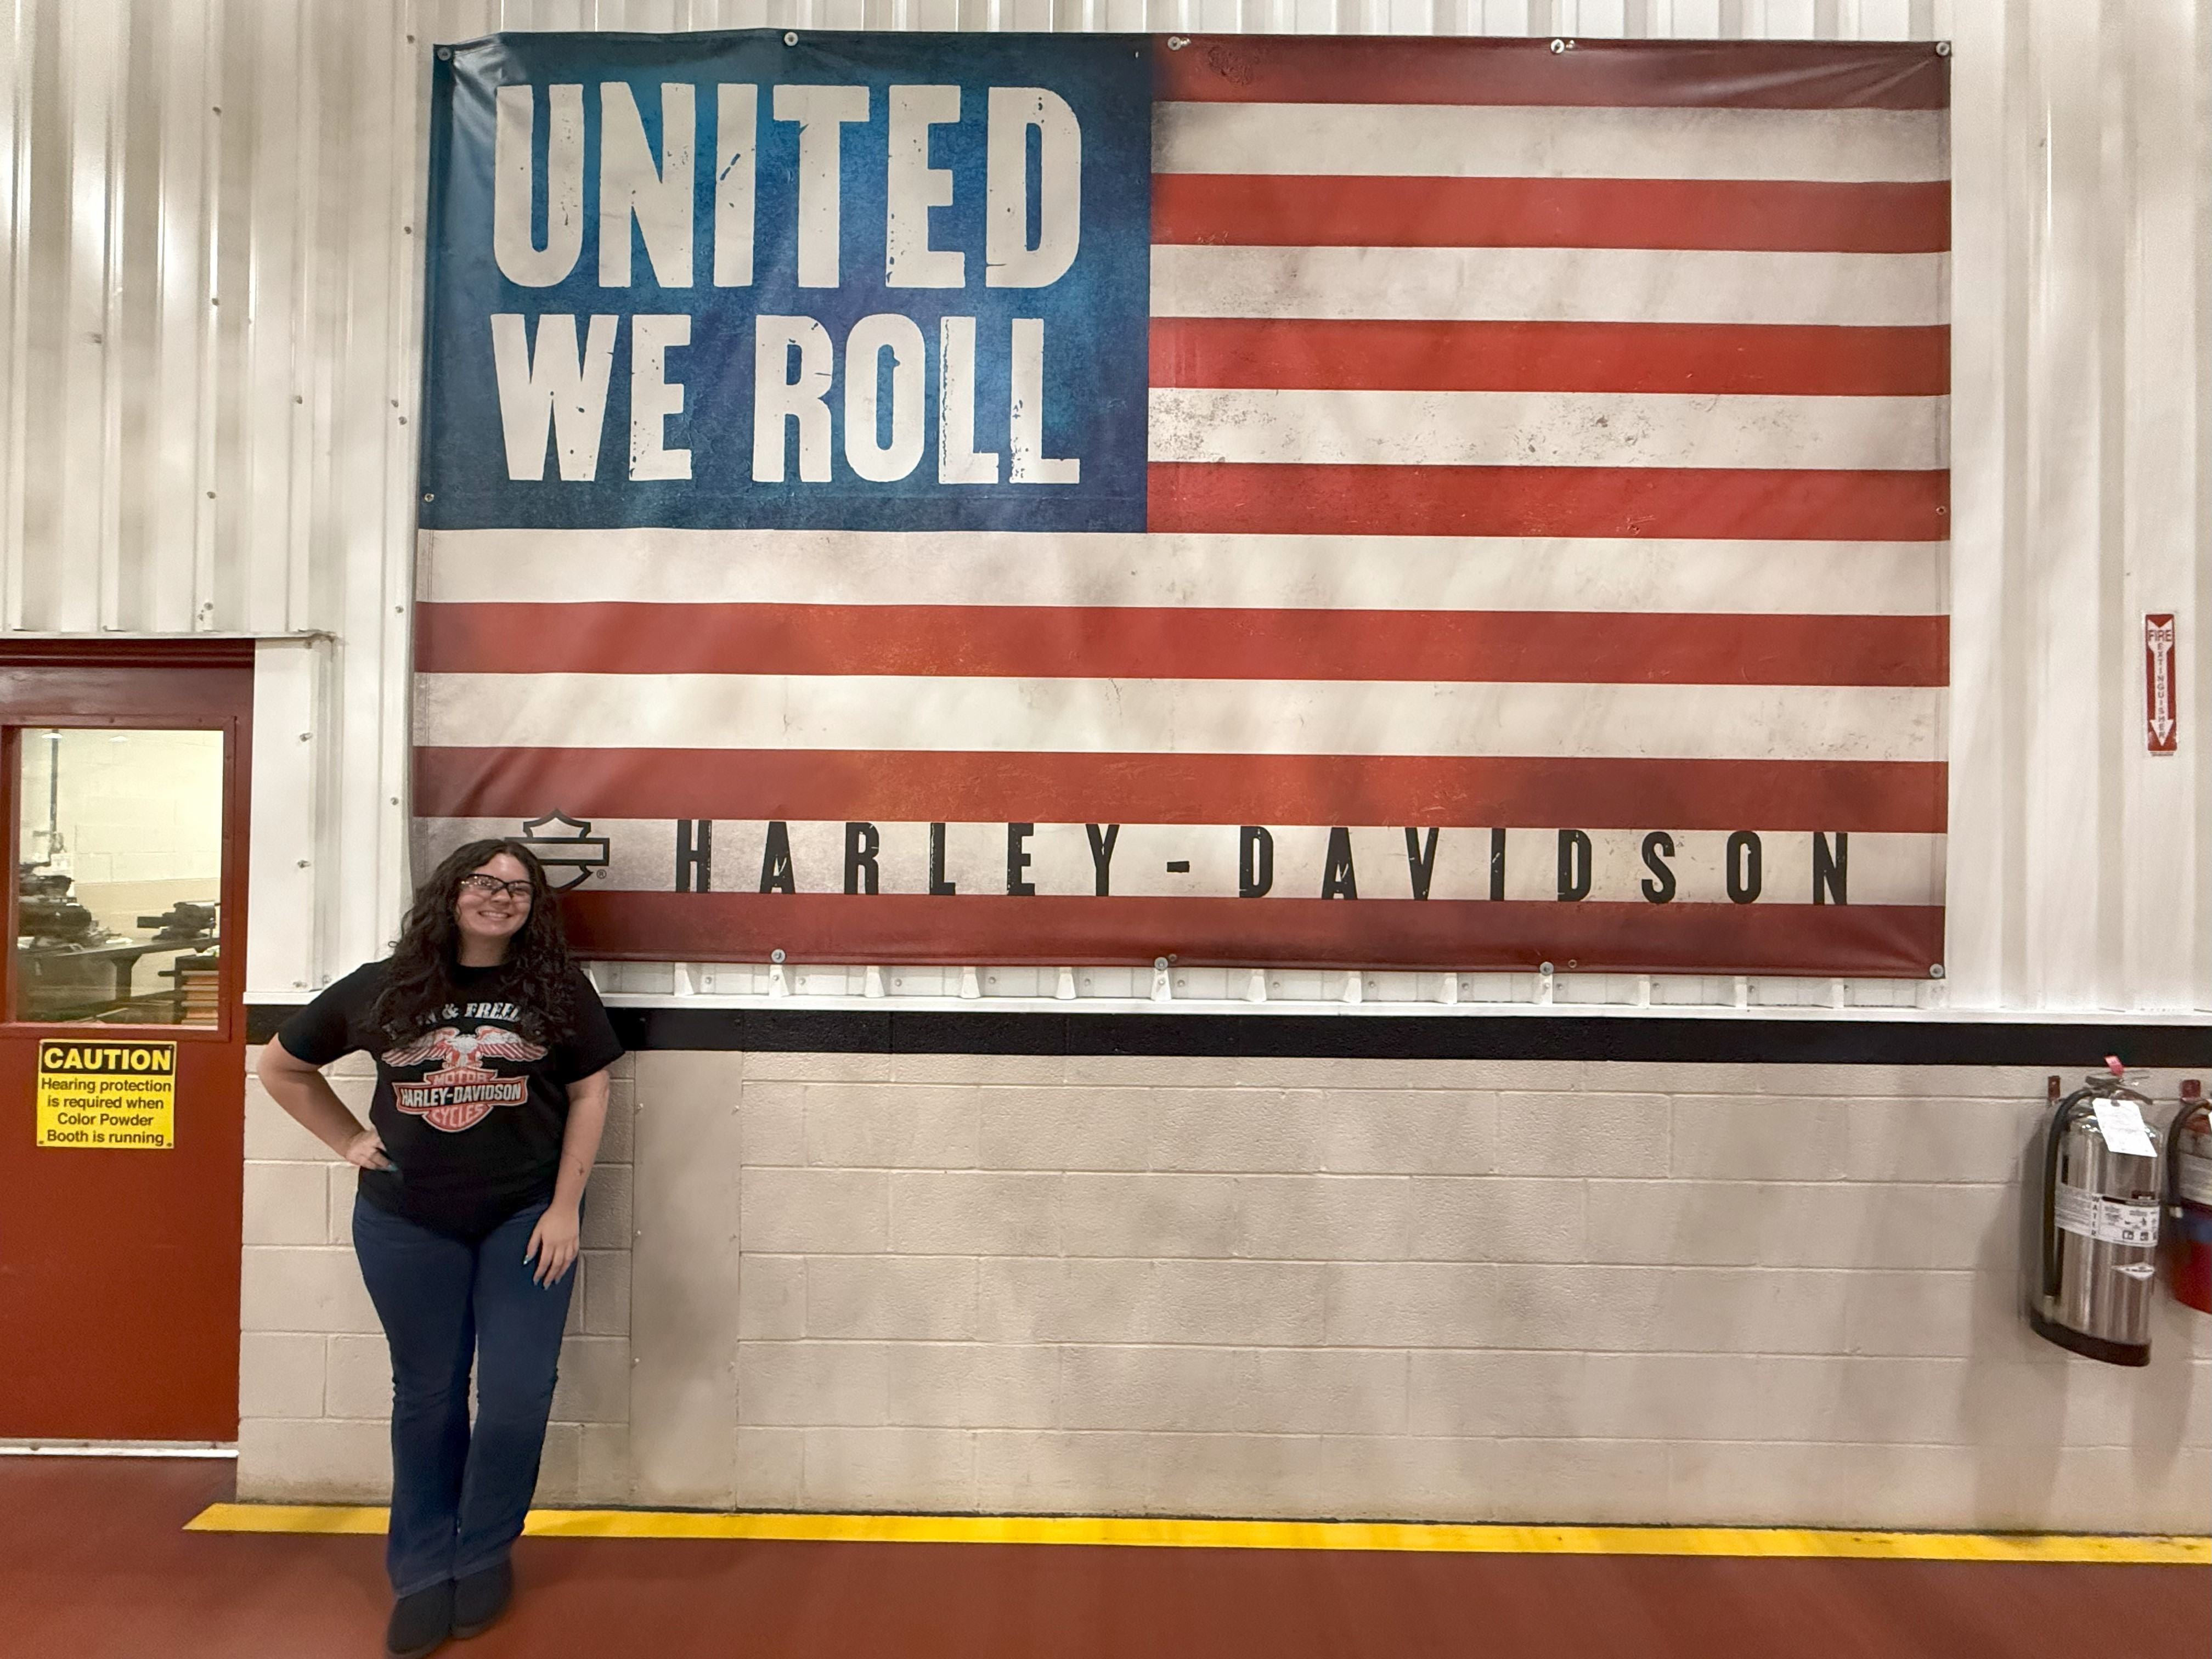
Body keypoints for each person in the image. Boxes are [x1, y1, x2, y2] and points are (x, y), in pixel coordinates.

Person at [258, 839, 624, 1658]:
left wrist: (565, 1208)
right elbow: (282, 1067)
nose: (500, 897)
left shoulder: (556, 988)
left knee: (518, 1395)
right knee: (427, 1396)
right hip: (406, 1222)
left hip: (524, 1221)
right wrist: (348, 1139)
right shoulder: (386, 985)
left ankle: (484, 1551)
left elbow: (591, 1089)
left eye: (519, 889)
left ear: (534, 908)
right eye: (484, 882)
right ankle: (423, 1569)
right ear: (451, 892)